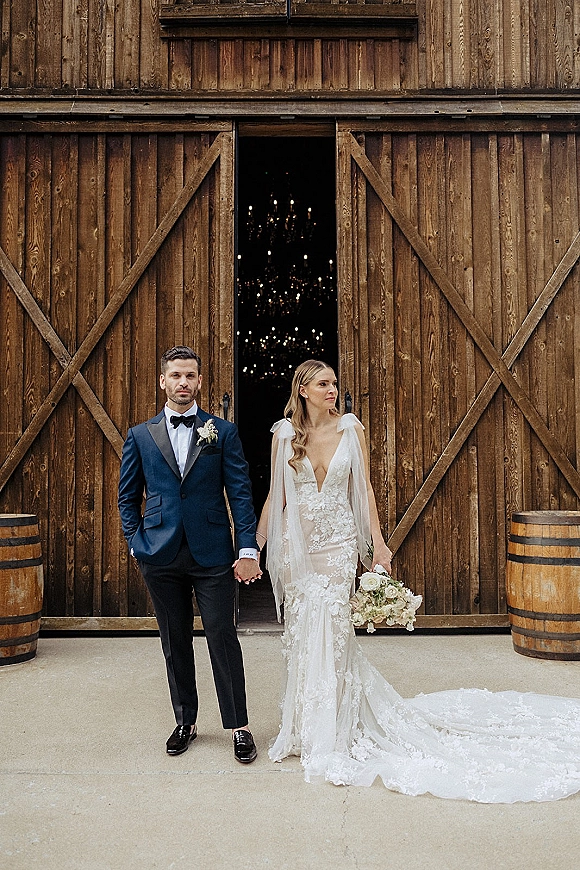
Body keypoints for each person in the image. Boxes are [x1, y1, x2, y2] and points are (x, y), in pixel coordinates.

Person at [257, 359, 580, 802]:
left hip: (336, 544)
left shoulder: (351, 428)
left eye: (334, 383)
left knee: (333, 631)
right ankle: (301, 727)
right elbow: (276, 493)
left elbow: (364, 488)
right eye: (323, 384)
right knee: (301, 634)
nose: (333, 390)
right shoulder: (283, 434)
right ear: (304, 389)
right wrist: (254, 547)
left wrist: (378, 545)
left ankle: (335, 728)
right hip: (299, 548)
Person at [118, 346, 261, 763]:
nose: (184, 382)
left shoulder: (222, 432)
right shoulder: (140, 436)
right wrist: (135, 541)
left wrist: (246, 546)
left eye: (191, 376)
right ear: (163, 381)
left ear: (200, 382)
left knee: (222, 636)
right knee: (173, 638)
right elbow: (127, 498)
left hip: (213, 553)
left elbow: (240, 492)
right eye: (176, 375)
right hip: (159, 554)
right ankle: (185, 720)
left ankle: (239, 726)